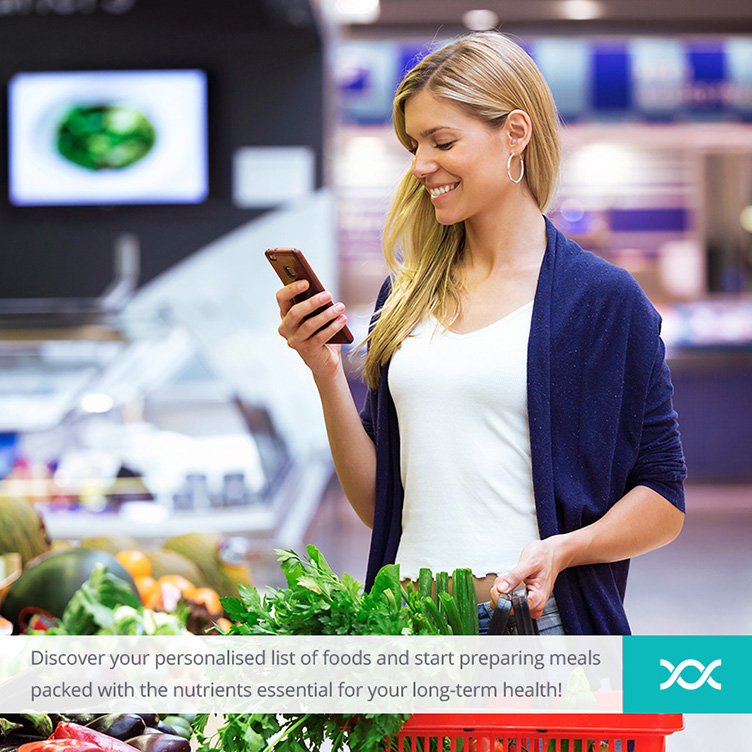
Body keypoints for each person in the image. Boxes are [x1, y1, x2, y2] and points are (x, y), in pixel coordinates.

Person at [275, 32, 686, 635]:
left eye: (443, 141)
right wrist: (328, 373)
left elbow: (664, 502)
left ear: (514, 133)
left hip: (535, 627)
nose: (421, 166)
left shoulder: (603, 301)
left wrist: (566, 549)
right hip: (408, 628)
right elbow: (377, 504)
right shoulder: (405, 297)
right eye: (415, 145)